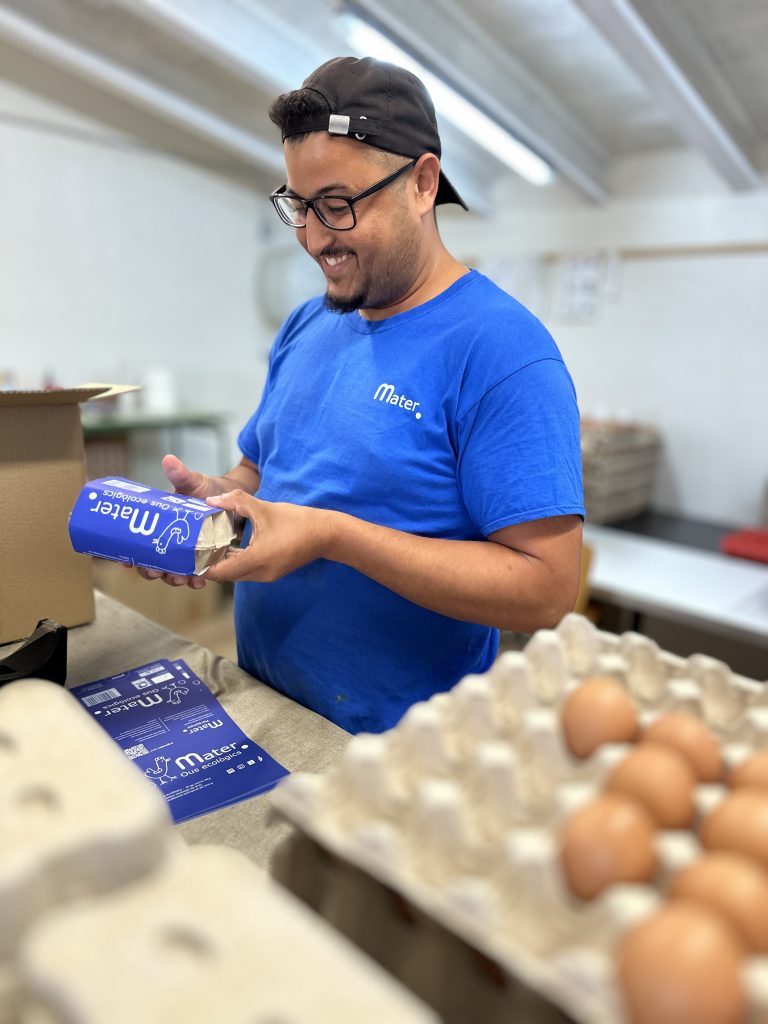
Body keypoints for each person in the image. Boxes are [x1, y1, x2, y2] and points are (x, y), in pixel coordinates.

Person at [142, 56, 585, 734]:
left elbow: (546, 591)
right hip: (268, 704)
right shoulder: (308, 323)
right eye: (299, 206)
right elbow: (262, 471)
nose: (314, 238)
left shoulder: (503, 352)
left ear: (422, 183)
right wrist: (220, 502)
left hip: (400, 752)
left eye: (337, 205)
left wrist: (332, 537)